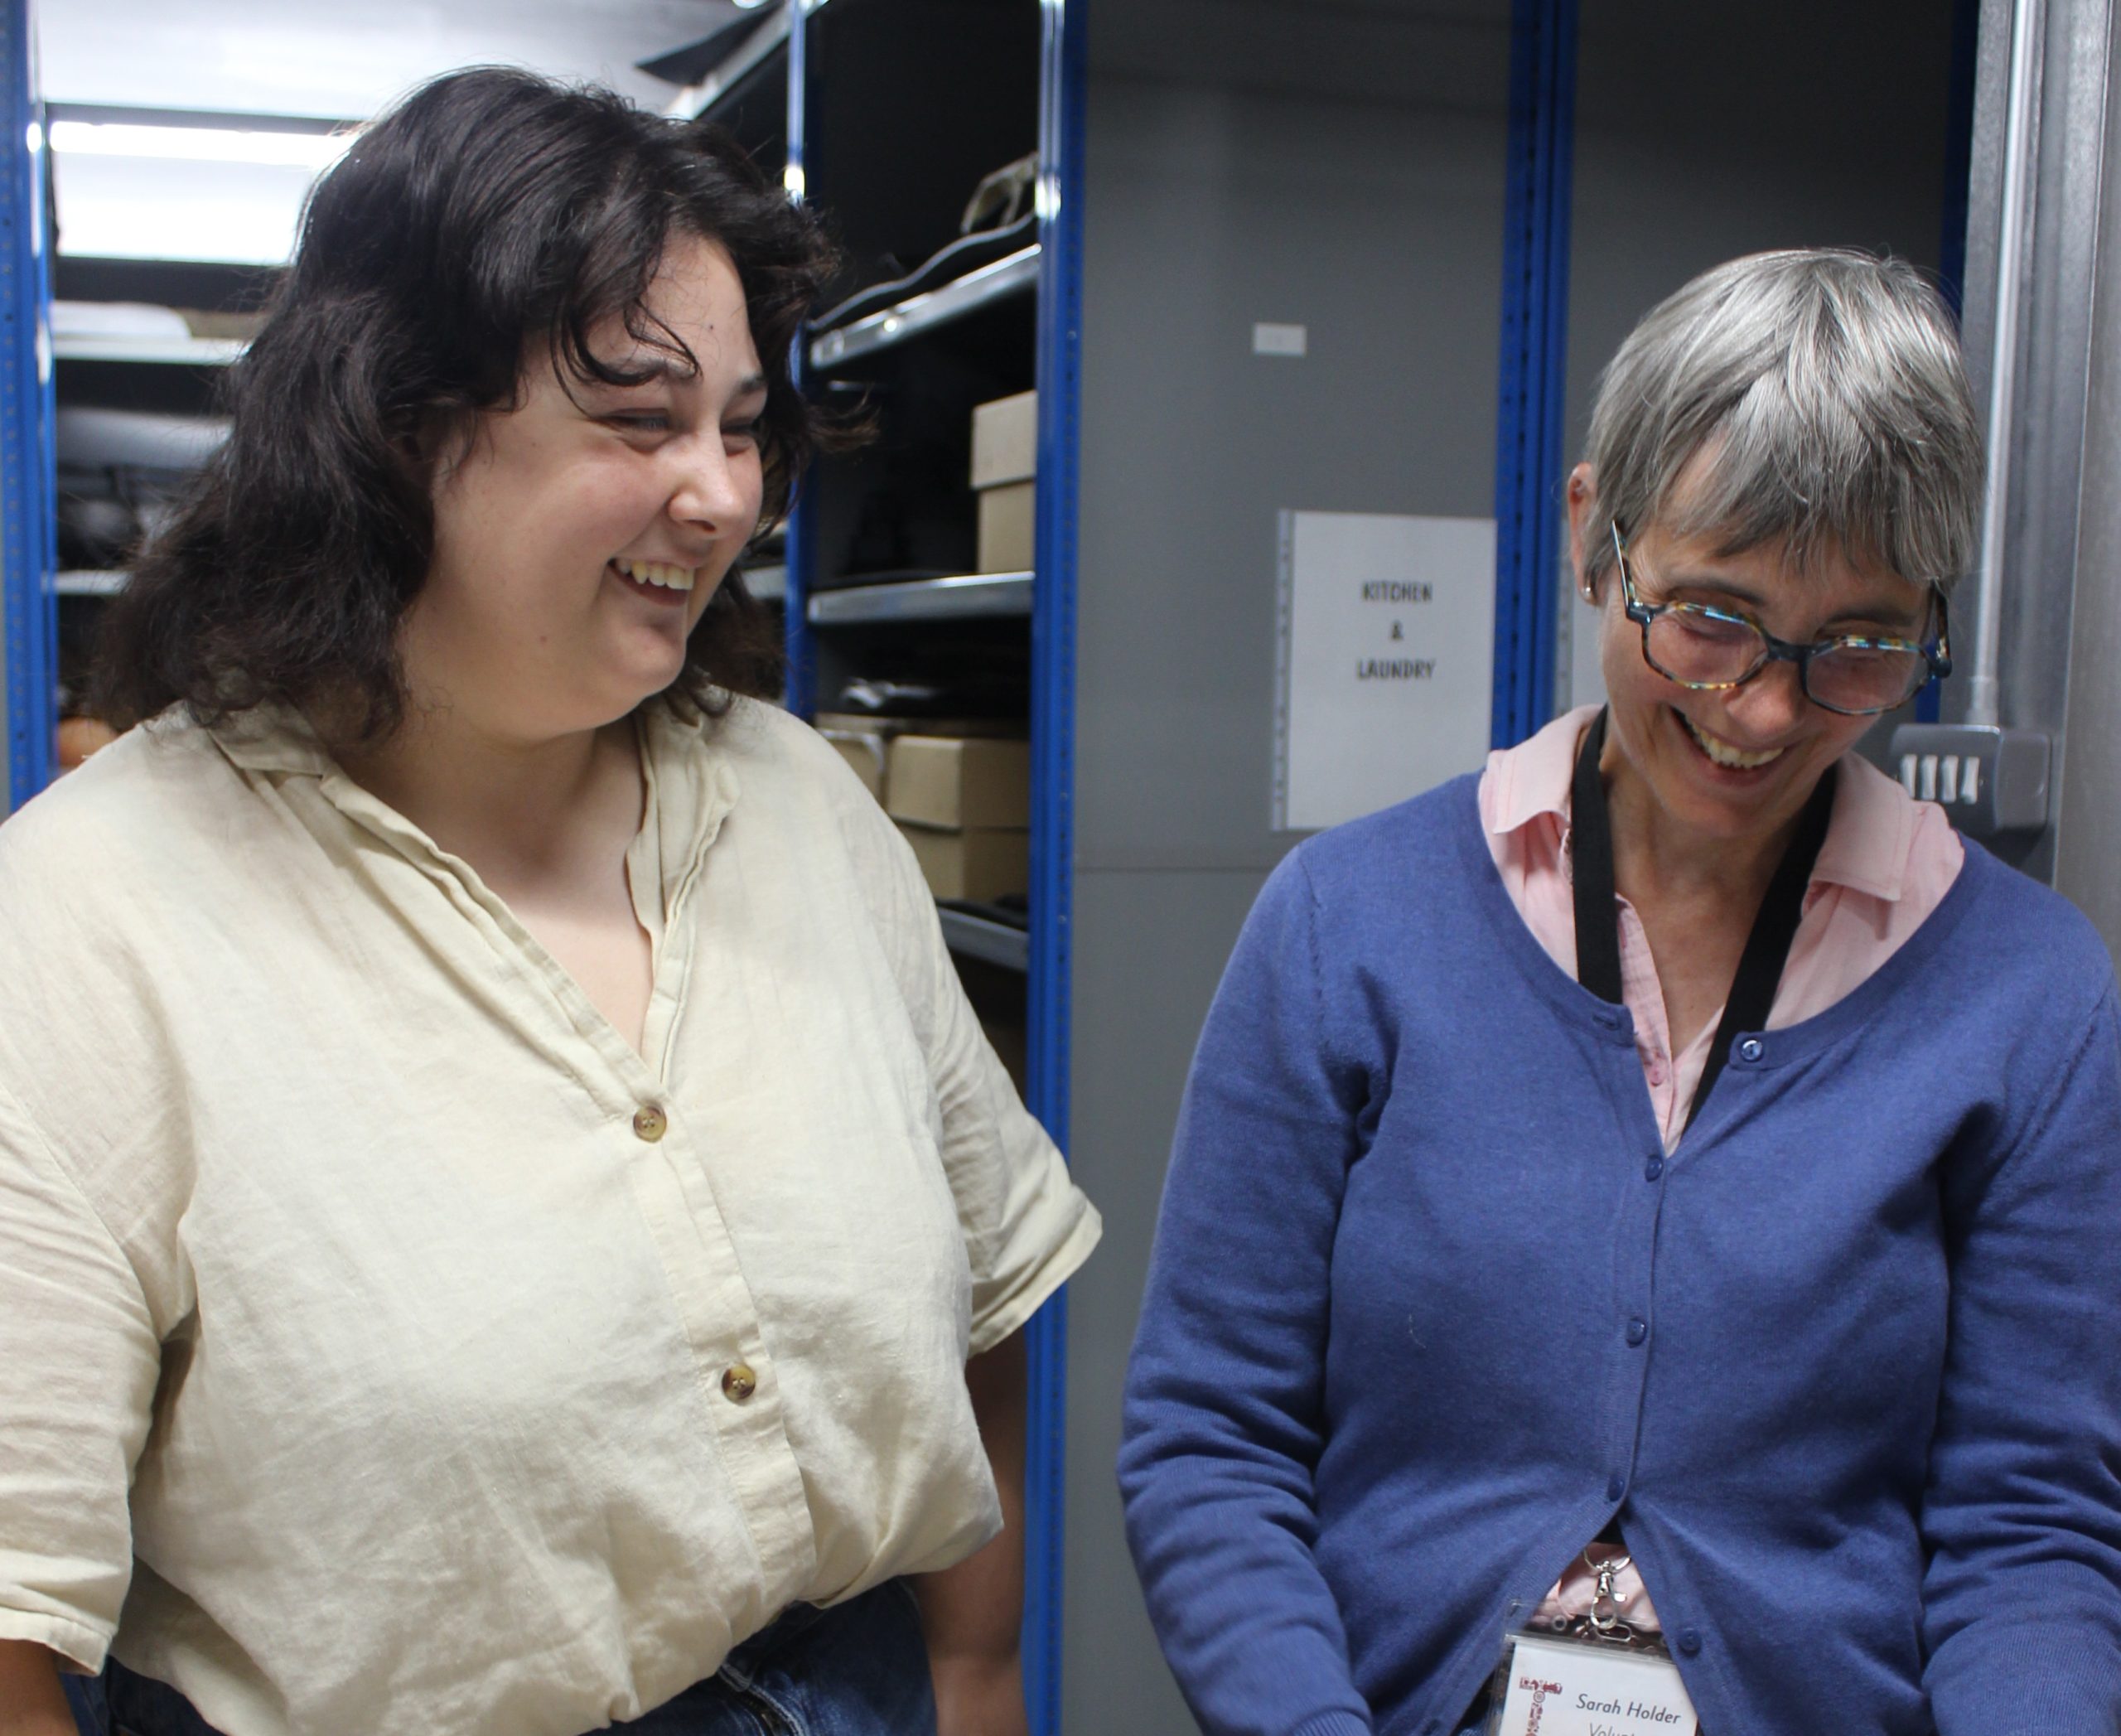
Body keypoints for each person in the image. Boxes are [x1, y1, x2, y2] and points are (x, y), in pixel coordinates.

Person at [0, 69, 1098, 1736]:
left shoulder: (798, 809)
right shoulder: (95, 916)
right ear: (395, 421)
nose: (723, 491)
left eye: (739, 423)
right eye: (640, 417)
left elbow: (983, 1301)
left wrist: (972, 1670)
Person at [1118, 249, 2121, 1735]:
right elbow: (1213, 1443)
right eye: (1710, 619)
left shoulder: (2029, 997)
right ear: (1598, 534)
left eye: (1856, 646)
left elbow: (2029, 1532)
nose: (1765, 711)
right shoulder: (1349, 927)